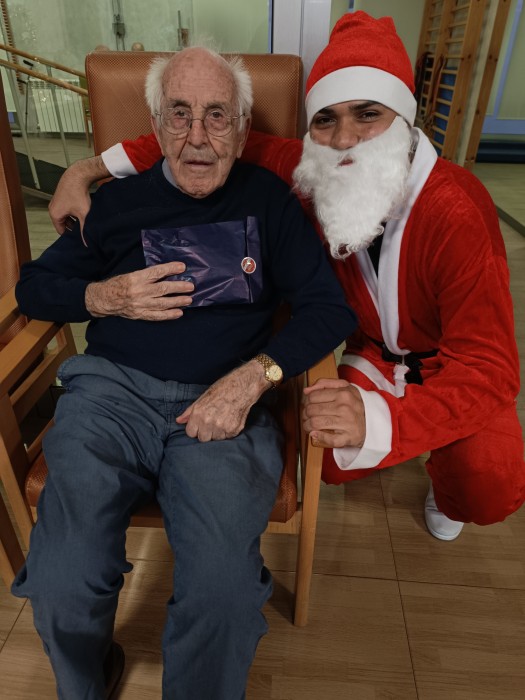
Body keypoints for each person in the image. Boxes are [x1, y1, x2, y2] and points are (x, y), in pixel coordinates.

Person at [48, 12, 525, 542]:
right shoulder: (310, 166)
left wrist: (387, 423)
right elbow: (198, 139)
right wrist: (85, 170)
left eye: (368, 114)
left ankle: (449, 480)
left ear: (404, 120)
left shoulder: (458, 209)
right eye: (326, 119)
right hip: (373, 352)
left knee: (488, 478)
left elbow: (492, 367)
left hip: (454, 363)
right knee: (331, 456)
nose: (344, 140)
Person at [11, 46, 356, 700]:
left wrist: (255, 376)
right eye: (179, 114)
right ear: (155, 124)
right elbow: (35, 288)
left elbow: (327, 308)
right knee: (61, 576)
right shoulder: (114, 205)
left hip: (225, 408)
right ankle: (86, 682)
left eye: (216, 115)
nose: (197, 136)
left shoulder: (269, 202)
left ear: (242, 129)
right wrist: (100, 297)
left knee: (223, 590)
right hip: (109, 399)